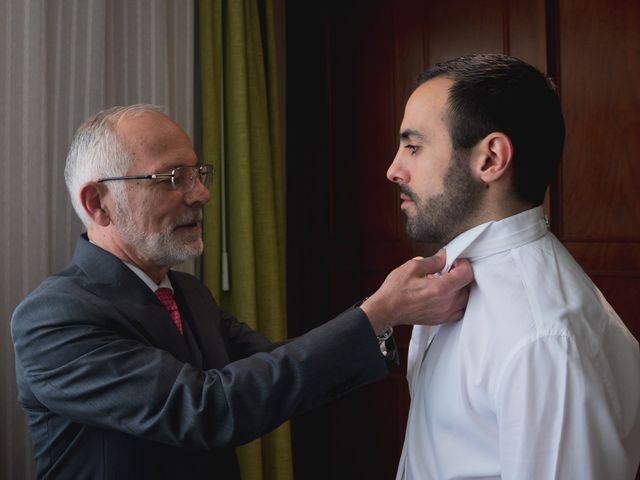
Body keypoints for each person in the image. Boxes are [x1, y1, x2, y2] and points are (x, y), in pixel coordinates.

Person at [11, 104, 473, 479]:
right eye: (174, 179)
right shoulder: (52, 317)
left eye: (198, 173)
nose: (201, 195)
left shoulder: (189, 293)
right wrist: (376, 314)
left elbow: (275, 369)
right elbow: (205, 408)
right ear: (99, 204)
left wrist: (388, 320)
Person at [388, 53, 640, 480]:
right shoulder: (447, 285)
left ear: (490, 159)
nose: (394, 169)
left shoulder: (544, 339)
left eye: (413, 146)